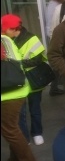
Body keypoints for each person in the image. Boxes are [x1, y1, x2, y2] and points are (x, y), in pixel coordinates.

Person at [1, 14, 47, 146]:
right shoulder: (5, 40)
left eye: (5, 30)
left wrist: (18, 65)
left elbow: (38, 59)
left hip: (32, 79)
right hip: (16, 83)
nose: (3, 32)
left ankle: (37, 132)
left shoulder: (31, 38)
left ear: (14, 28)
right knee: (20, 113)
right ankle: (24, 138)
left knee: (35, 108)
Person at [1, 34, 38, 161]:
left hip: (9, 93)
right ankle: (15, 158)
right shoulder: (4, 38)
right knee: (9, 128)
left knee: (10, 129)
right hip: (14, 89)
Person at [45, 0, 65, 96]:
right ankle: (54, 86)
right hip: (55, 36)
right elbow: (53, 24)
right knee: (57, 64)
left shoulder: (52, 4)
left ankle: (55, 85)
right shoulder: (56, 6)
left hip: (53, 35)